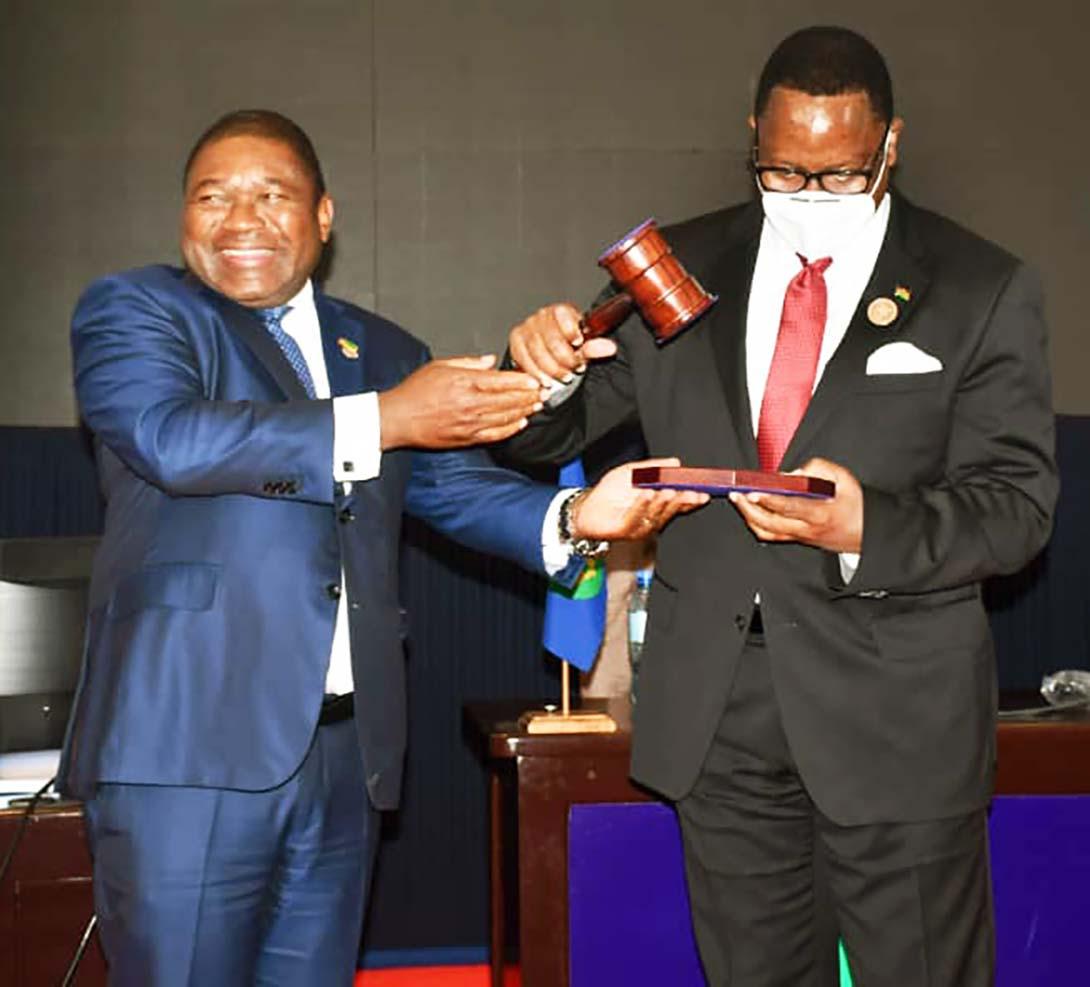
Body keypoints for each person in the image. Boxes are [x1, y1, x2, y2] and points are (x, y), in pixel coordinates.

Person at [57, 108, 705, 986]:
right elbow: (174, 439)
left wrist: (582, 514)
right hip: (185, 757)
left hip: (344, 760)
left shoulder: (381, 348)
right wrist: (391, 416)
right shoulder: (137, 310)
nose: (240, 219)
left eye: (271, 195)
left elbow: (450, 488)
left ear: (324, 216)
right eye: (212, 197)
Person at [501, 26, 1057, 987]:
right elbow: (549, 435)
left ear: (890, 145)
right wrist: (543, 372)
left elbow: (1017, 507)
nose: (807, 196)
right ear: (752, 135)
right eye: (784, 171)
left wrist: (867, 528)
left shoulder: (980, 286)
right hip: (718, 714)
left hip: (898, 721)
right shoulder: (677, 265)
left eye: (839, 175)